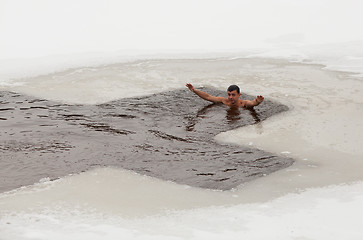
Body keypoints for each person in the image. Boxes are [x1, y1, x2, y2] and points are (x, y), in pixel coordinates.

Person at [186, 83, 264, 108]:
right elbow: (208, 97)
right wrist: (194, 90)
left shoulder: (243, 103)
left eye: (233, 95)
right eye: (229, 94)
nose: (230, 97)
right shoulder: (224, 101)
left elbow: (252, 103)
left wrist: (257, 102)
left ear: (239, 95)